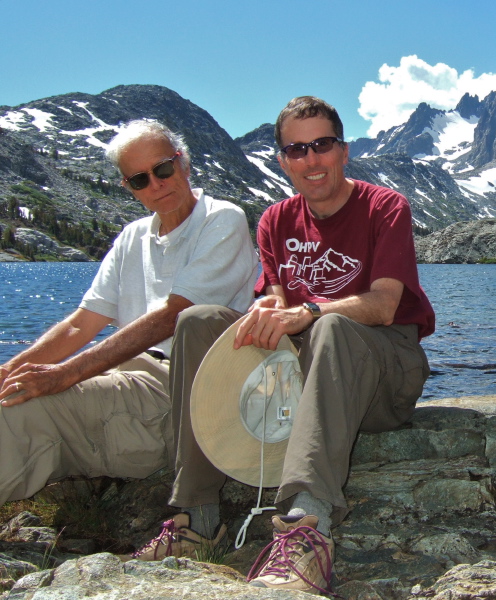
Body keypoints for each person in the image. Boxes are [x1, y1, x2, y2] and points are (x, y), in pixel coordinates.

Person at [136, 96, 434, 594]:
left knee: (330, 328)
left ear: (344, 150)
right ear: (282, 160)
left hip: (385, 370)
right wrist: (272, 310)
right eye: (297, 150)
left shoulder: (384, 206)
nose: (311, 160)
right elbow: (275, 297)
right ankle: (196, 514)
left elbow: (383, 306)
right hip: (311, 371)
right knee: (196, 320)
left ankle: (306, 526)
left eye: (322, 145)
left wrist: (309, 310)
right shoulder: (275, 220)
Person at [0, 120, 258, 520]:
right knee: (11, 394)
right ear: (128, 187)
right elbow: (81, 324)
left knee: (15, 412)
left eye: (163, 169)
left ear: (184, 163)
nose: (155, 184)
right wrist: (10, 370)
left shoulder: (221, 220)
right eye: (140, 179)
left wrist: (61, 376)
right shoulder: (132, 236)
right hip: (126, 387)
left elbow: (172, 318)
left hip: (173, 396)